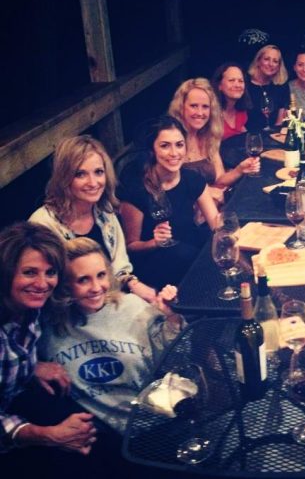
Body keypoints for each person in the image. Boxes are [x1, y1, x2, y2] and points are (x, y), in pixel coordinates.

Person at [39, 238, 182, 442]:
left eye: (101, 275)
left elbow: (176, 359)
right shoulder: (46, 326)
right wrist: (33, 366)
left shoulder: (133, 307)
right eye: (83, 280)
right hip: (102, 439)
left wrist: (172, 318)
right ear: (65, 285)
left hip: (162, 425)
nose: (96, 287)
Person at [0, 222, 97, 473]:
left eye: (51, 272)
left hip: (16, 403)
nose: (43, 284)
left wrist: (31, 365)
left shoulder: (30, 308)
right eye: (29, 272)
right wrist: (48, 436)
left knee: (93, 438)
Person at [30, 135, 156, 303]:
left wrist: (133, 284)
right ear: (64, 178)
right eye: (80, 174)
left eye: (98, 172)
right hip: (70, 308)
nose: (93, 182)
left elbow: (119, 266)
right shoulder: (42, 225)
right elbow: (47, 288)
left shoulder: (104, 210)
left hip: (109, 297)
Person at [118, 115, 221, 288]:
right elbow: (130, 247)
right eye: (165, 146)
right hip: (157, 263)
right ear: (152, 150)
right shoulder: (137, 190)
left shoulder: (192, 179)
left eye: (179, 145)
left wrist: (232, 232)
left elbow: (216, 224)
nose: (174, 153)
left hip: (190, 249)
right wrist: (153, 243)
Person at [167, 78, 258, 213]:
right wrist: (207, 192)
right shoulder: (172, 140)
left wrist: (239, 169)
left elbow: (220, 180)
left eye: (205, 107)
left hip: (212, 209)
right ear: (181, 107)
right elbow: (168, 186)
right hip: (185, 212)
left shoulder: (208, 138)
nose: (200, 113)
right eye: (194, 106)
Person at [246, 44, 290, 131]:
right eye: (266, 59)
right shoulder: (245, 84)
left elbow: (280, 121)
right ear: (258, 61)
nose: (271, 64)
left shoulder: (281, 86)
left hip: (274, 134)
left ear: (279, 66)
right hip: (249, 134)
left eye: (275, 61)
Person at [212, 61, 252, 140]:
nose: (237, 85)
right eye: (231, 80)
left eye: (241, 81)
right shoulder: (211, 113)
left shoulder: (241, 112)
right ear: (219, 85)